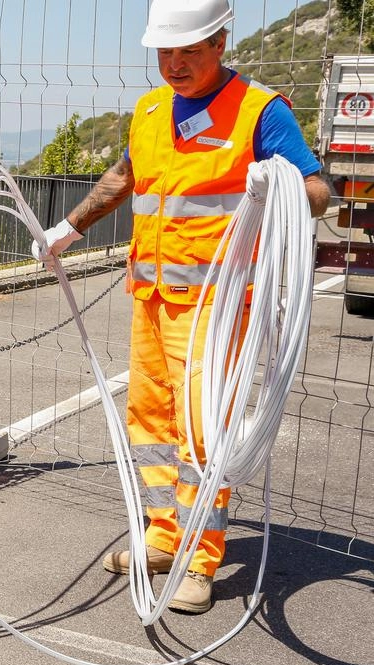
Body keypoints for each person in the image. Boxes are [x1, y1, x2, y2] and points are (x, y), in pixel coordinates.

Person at [31, 0, 330, 614]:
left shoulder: (258, 111)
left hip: (215, 311)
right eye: (165, 52)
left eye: (188, 51)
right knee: (153, 427)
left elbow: (318, 190)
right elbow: (125, 176)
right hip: (151, 298)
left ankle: (200, 557)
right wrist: (69, 227)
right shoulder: (148, 111)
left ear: (220, 42)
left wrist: (278, 186)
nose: (174, 64)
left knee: (203, 434)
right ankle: (164, 536)